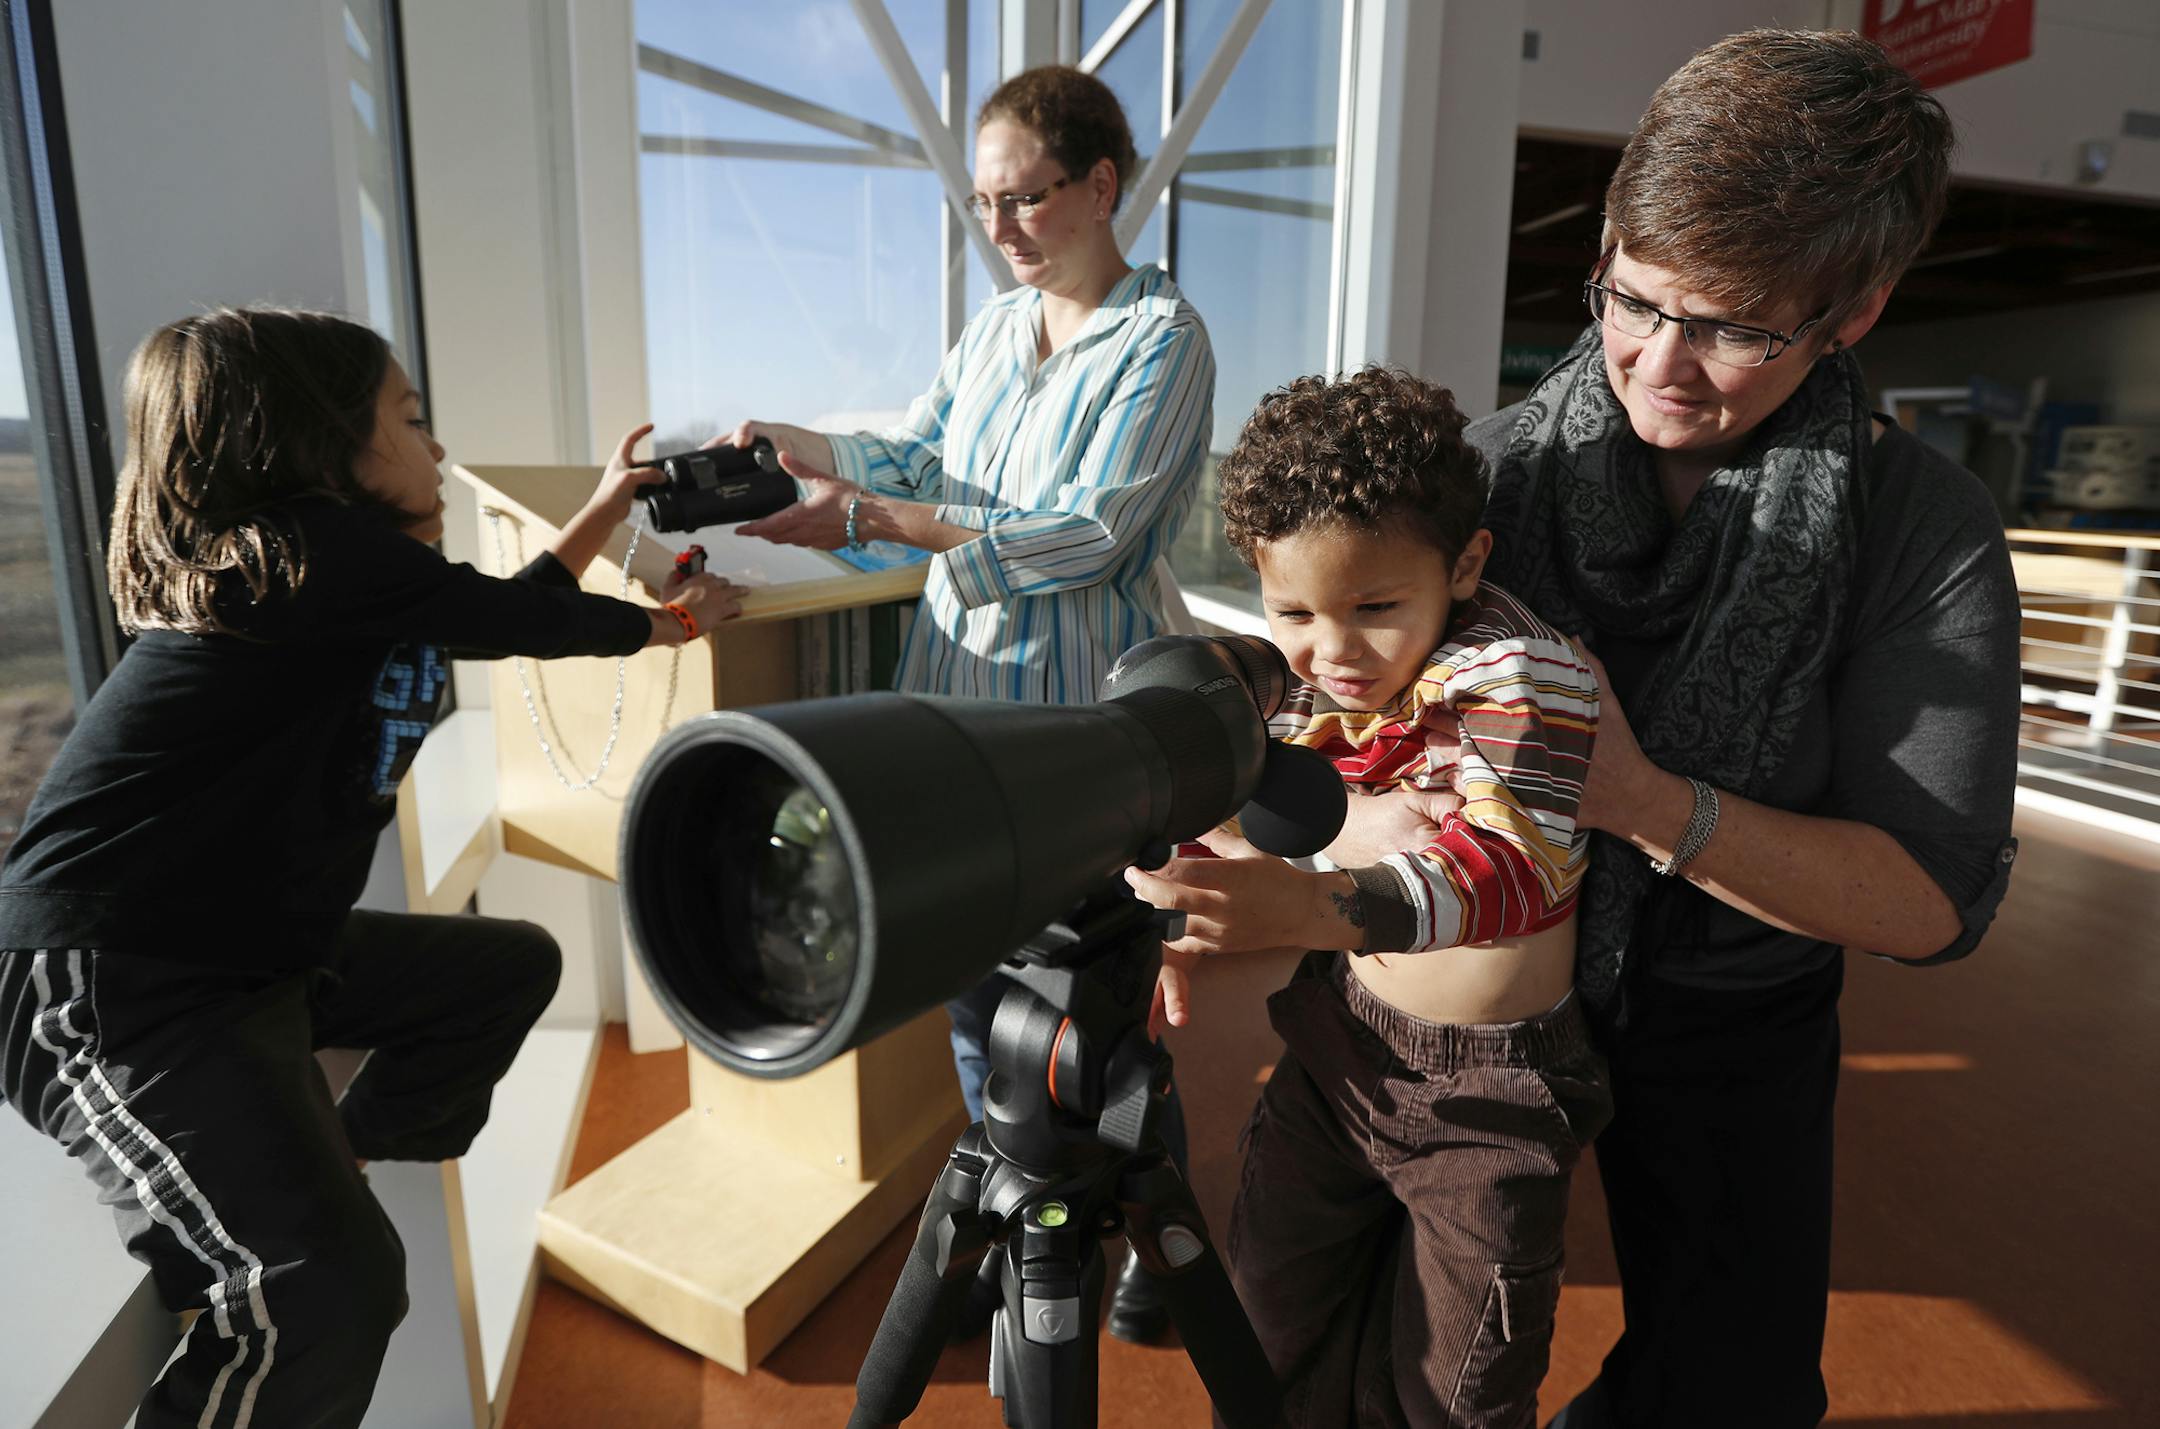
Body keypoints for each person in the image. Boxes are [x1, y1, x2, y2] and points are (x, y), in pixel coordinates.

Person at [1349, 31, 2022, 1428]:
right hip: (1470, 989)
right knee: (1394, 1367)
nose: (1662, 362)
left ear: (1856, 311)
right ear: (1605, 242)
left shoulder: (1919, 529)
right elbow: (1339, 720)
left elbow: (1927, 897)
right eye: (1634, 299)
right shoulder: (1483, 473)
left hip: (1732, 1015)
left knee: (1731, 1385)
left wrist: (1646, 799)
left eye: (1733, 327)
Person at [0, 307, 741, 1429]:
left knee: (503, 971)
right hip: (111, 981)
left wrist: (599, 511)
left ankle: (328, 1153)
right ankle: (296, 1190)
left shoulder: (345, 584)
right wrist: (672, 626)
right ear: (312, 445)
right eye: (410, 418)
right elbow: (513, 619)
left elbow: (498, 606)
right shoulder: (308, 557)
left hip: (250, 956)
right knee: (321, 1292)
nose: (438, 450)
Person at [718, 64, 1215, 1341]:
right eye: (983, 202)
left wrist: (877, 517)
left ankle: (1119, 1249)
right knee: (974, 1009)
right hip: (953, 713)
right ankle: (1013, 1257)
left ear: (1102, 186)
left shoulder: (1165, 342)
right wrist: (811, 453)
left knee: (1085, 1028)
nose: (998, 227)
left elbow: (1087, 537)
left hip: (1074, 744)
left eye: (1024, 198)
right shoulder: (998, 327)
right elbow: (926, 455)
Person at [1125, 368, 1611, 1425]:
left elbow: (1514, 869)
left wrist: (1303, 908)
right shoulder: (1314, 681)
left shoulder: (1523, 673)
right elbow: (1258, 808)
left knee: (1454, 1390)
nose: (1334, 652)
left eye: (1376, 607)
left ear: (1466, 562)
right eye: (1292, 609)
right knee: (1267, 1328)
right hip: (1336, 1051)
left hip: (1491, 1100)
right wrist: (1181, 897)